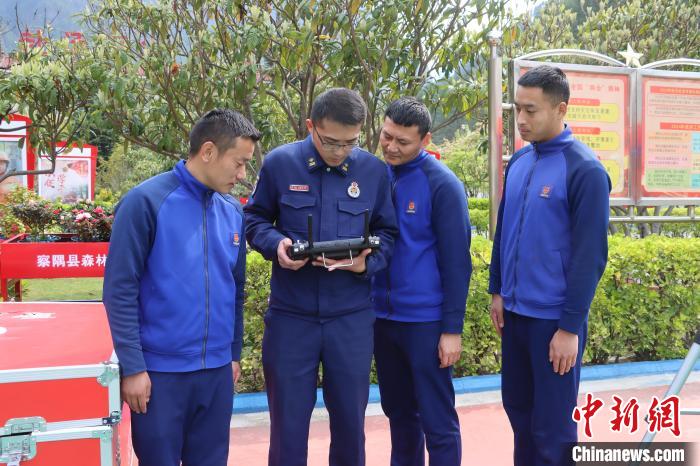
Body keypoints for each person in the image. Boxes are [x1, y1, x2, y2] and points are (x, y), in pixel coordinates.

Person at [244, 88, 398, 466]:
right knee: (288, 427)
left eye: (350, 143)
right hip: (291, 318)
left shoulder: (373, 172)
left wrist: (366, 264)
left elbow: (389, 234)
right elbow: (255, 220)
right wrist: (277, 245)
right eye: (330, 141)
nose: (339, 151)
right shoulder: (280, 164)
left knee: (350, 425)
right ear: (311, 126)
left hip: (350, 318)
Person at [103, 109, 261, 466]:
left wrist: (233, 354)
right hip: (160, 375)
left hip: (216, 374)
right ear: (208, 151)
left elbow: (235, 287)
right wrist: (133, 367)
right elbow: (119, 290)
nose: (242, 174)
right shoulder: (145, 202)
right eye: (238, 163)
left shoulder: (232, 211)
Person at [488, 65, 611, 465]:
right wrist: (497, 290)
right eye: (517, 109)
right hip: (515, 316)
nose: (521, 119)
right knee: (519, 415)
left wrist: (569, 328)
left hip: (553, 322)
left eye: (531, 110)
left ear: (561, 109)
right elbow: (504, 230)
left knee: (553, 430)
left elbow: (590, 257)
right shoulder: (520, 161)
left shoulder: (585, 170)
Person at [371, 97, 472, 466]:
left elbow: (457, 263)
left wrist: (451, 330)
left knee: (437, 420)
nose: (391, 147)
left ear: (425, 140)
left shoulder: (442, 185)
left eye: (403, 141)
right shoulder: (376, 176)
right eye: (387, 136)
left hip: (425, 323)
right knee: (399, 416)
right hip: (383, 319)